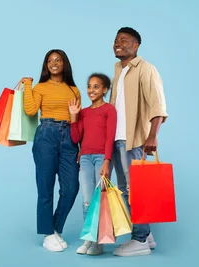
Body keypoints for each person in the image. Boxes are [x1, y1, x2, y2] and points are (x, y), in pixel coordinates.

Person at [109, 27, 168, 257]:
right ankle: (147, 235)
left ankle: (139, 239)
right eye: (115, 40)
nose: (117, 44)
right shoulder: (118, 70)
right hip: (117, 139)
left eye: (123, 40)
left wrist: (152, 136)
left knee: (136, 191)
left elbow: (157, 104)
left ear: (136, 46)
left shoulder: (146, 69)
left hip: (134, 140)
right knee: (125, 190)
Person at [20, 49, 81, 252]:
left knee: (71, 188)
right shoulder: (40, 87)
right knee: (45, 188)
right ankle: (48, 234)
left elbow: (78, 121)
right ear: (46, 65)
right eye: (49, 60)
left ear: (65, 63)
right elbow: (30, 110)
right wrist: (28, 85)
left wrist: (80, 145)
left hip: (70, 137)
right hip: (46, 134)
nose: (54, 63)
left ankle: (55, 228)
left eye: (58, 60)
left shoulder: (74, 89)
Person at [68, 73, 117, 255]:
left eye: (96, 87)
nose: (91, 90)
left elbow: (110, 137)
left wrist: (106, 160)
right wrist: (74, 117)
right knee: (87, 200)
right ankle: (89, 238)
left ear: (105, 89)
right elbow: (76, 137)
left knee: (100, 200)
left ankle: (99, 242)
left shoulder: (109, 110)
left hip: (101, 159)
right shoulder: (84, 113)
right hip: (86, 158)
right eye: (89, 86)